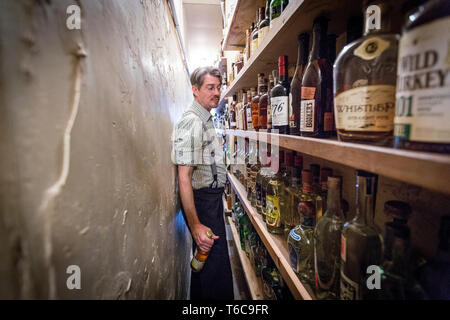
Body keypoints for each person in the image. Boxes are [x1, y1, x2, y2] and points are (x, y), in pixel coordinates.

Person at [171, 66, 234, 300]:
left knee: (207, 266)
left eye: (219, 87)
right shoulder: (193, 122)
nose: (217, 92)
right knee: (216, 270)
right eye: (210, 87)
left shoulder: (204, 118)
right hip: (203, 203)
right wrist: (196, 225)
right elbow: (184, 177)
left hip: (211, 201)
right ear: (195, 90)